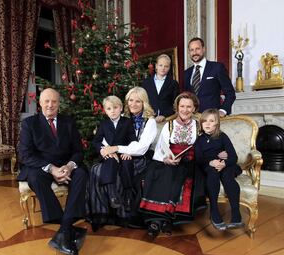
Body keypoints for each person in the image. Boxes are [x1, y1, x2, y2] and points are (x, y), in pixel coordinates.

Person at [17, 88, 87, 255]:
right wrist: (51, 168)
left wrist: (69, 166)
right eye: (46, 101)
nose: (50, 105)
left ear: (58, 104)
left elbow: (78, 152)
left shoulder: (68, 122)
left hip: (65, 165)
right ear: (40, 103)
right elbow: (25, 155)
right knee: (34, 177)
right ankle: (68, 227)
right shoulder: (29, 124)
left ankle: (63, 231)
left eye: (54, 101)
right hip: (41, 167)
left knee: (82, 173)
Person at [86, 87, 158, 229]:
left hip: (139, 158)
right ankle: (101, 214)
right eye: (131, 100)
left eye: (138, 101)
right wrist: (108, 151)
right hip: (116, 156)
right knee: (96, 170)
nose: (133, 104)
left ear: (144, 103)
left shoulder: (150, 122)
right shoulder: (122, 116)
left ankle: (124, 212)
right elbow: (105, 140)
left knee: (120, 168)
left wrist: (121, 150)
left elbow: (141, 147)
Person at [139, 92, 201, 238]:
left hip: (189, 161)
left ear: (194, 108)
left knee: (178, 175)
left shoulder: (199, 125)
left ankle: (168, 219)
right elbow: (162, 146)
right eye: (182, 106)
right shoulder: (169, 125)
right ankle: (156, 221)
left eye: (189, 107)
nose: (185, 110)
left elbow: (202, 146)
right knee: (158, 173)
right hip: (168, 158)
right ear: (177, 108)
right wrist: (166, 158)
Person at [194, 109, 244, 231]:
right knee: (212, 173)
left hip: (226, 166)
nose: (207, 123)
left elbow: (233, 157)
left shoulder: (222, 136)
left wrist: (224, 163)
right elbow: (199, 159)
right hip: (209, 166)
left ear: (217, 123)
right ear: (201, 123)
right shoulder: (199, 140)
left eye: (211, 121)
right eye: (205, 121)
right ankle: (214, 211)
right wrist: (211, 162)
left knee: (227, 176)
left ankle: (236, 215)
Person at [92, 95, 136, 210]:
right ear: (105, 111)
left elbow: (133, 139)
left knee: (127, 164)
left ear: (121, 108)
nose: (113, 111)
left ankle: (128, 195)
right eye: (109, 109)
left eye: (115, 108)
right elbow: (96, 141)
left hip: (123, 151)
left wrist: (129, 152)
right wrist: (103, 150)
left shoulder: (127, 122)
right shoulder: (104, 124)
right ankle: (112, 195)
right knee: (110, 161)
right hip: (109, 152)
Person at [184, 37, 236, 116]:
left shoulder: (217, 67)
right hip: (193, 118)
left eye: (197, 49)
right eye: (191, 50)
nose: (194, 52)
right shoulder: (186, 73)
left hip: (212, 118)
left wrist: (223, 110)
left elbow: (230, 93)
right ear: (189, 52)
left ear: (203, 49)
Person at [142, 54, 179, 123]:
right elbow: (143, 101)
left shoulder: (173, 84)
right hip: (149, 119)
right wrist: (150, 115)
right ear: (156, 66)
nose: (163, 68)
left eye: (166, 66)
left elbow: (176, 104)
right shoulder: (146, 82)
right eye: (160, 65)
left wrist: (164, 115)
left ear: (169, 68)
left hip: (167, 119)